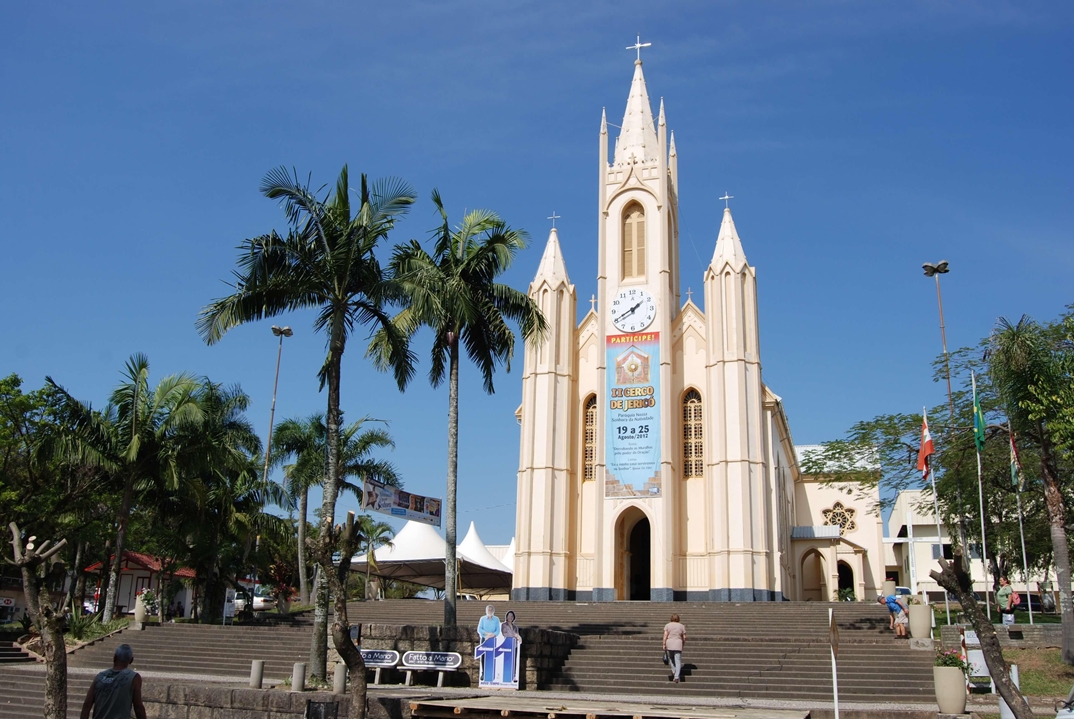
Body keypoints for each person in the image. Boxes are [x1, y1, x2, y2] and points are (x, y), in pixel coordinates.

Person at [79, 644, 147, 719]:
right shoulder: (134, 678)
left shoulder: (100, 677)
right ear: (131, 660)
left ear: (114, 657)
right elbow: (138, 708)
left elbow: (87, 705)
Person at [663, 613, 686, 683]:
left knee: (671, 658)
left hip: (670, 643)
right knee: (678, 660)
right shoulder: (682, 626)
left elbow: (665, 635)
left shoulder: (667, 625)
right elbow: (684, 637)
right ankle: (676, 676)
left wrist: (664, 644)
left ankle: (674, 671)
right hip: (678, 643)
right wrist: (683, 643)